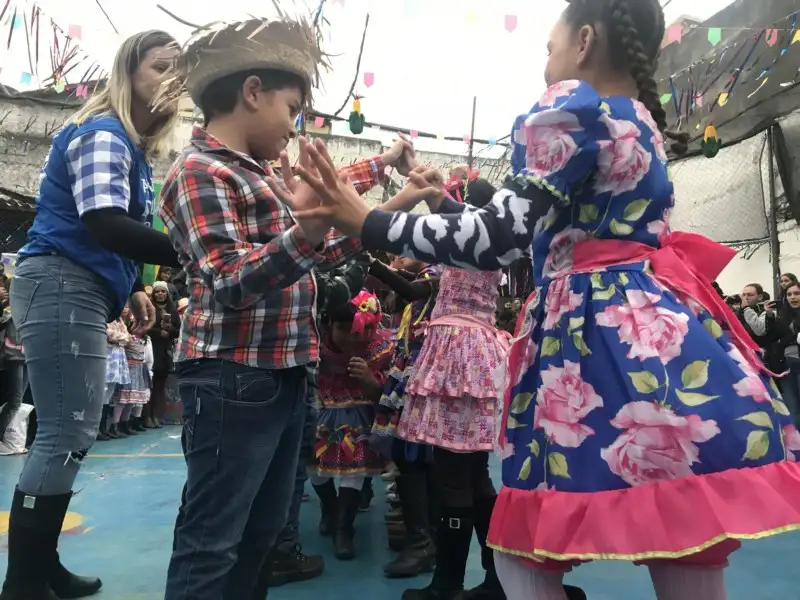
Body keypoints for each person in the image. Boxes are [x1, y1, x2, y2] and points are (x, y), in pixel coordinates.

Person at [278, 0, 800, 598]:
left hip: (586, 333)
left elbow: (501, 235)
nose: (546, 61)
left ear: (584, 41)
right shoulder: (641, 121)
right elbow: (545, 224)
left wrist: (368, 220)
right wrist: (438, 205)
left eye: (550, 47)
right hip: (649, 326)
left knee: (526, 549)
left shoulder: (571, 107)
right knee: (682, 516)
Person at [155, 17, 419, 600]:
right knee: (213, 538)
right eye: (293, 108)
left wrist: (347, 217)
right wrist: (313, 229)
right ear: (253, 92)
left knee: (262, 534)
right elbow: (230, 280)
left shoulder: (260, 175)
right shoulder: (200, 172)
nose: (295, 126)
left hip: (283, 374)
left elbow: (309, 252)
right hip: (233, 375)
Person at [2, 30, 181, 600]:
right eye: (160, 67)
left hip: (78, 285)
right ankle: (23, 582)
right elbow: (104, 223)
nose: (173, 81)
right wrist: (198, 249)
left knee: (71, 432)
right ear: (128, 73)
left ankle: (41, 564)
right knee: (64, 433)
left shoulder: (133, 151)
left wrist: (133, 288)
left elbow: (110, 234)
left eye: (180, 72)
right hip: (61, 282)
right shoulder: (105, 133)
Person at [146, 280, 179, 428]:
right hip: (151, 349)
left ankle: (157, 416)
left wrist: (169, 329)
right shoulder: (149, 308)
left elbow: (178, 330)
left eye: (163, 291)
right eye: (157, 291)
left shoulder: (172, 310)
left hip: (165, 352)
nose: (160, 294)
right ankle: (147, 416)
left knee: (160, 386)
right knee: (149, 385)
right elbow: (145, 327)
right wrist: (159, 332)